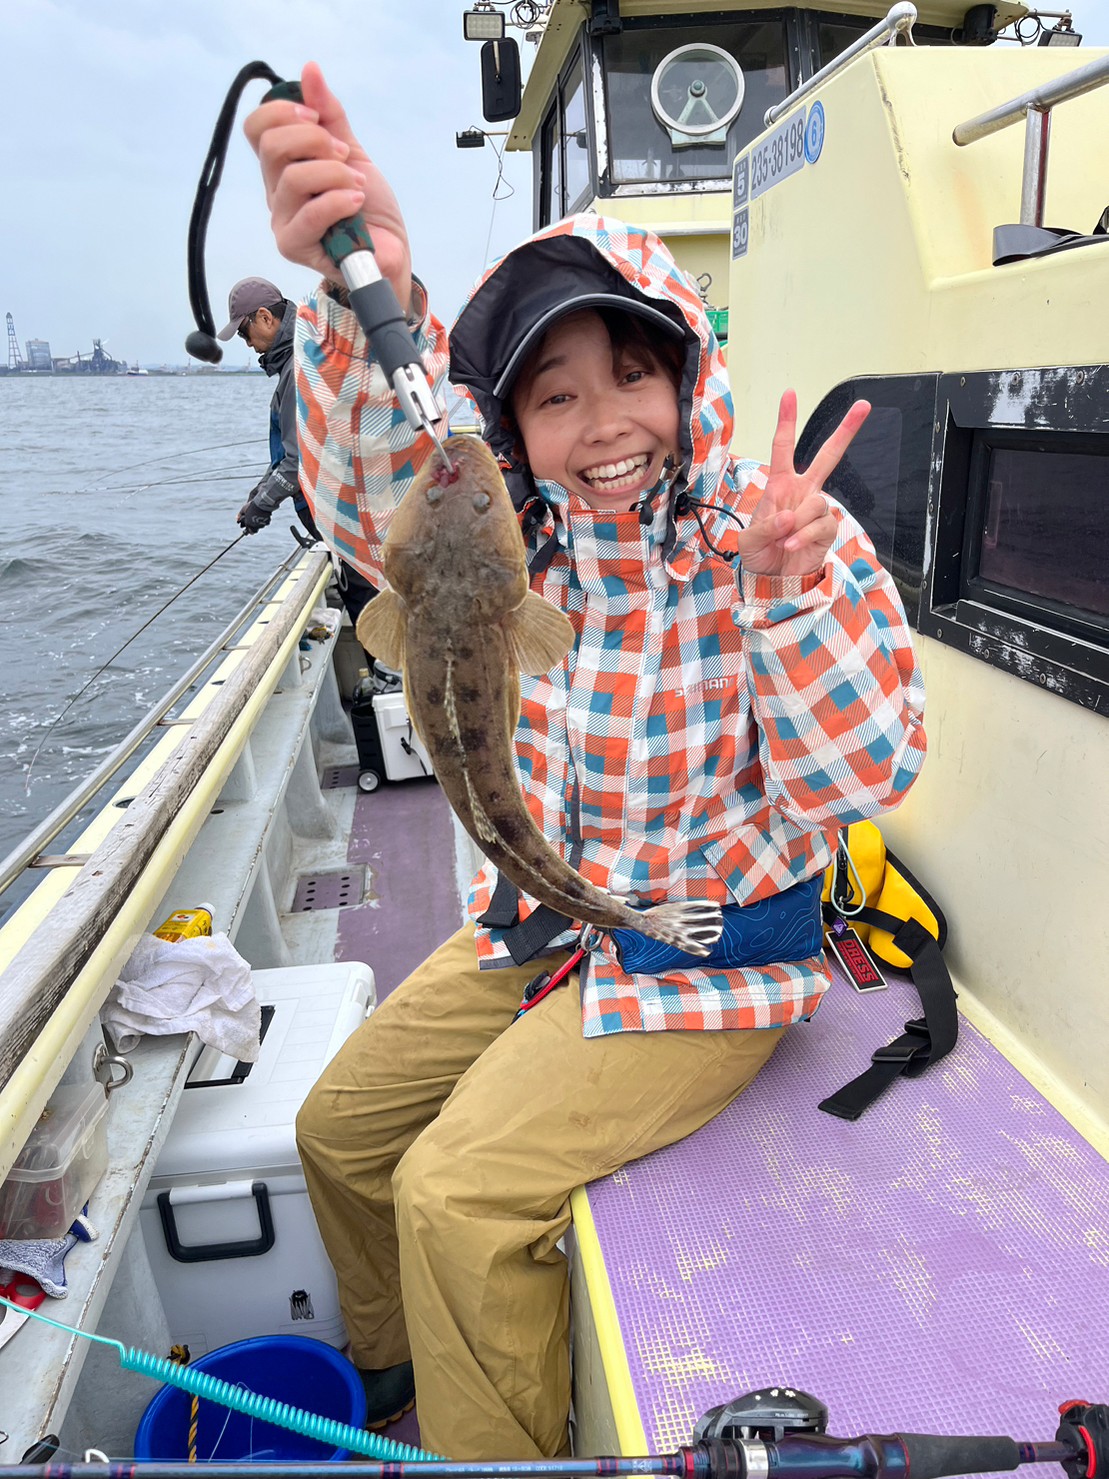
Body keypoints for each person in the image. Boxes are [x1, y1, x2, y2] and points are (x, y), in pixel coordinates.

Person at [245, 65, 927, 1462]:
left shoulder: (768, 532)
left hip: (702, 949)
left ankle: (496, 1444)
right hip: (544, 917)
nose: (603, 422)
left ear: (689, 372)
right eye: (554, 397)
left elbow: (860, 780)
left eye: (633, 373)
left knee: (453, 1190)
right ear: (512, 437)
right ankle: (395, 1377)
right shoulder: (508, 543)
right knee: (337, 1129)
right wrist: (350, 284)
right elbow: (378, 480)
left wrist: (790, 601)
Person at [218, 274, 377, 631]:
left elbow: (297, 461)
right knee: (366, 597)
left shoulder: (297, 368)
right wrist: (258, 494)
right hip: (347, 507)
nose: (247, 343)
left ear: (264, 317)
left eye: (244, 332)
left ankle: (389, 675)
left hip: (338, 512)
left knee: (367, 603)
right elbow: (290, 455)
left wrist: (261, 506)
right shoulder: (304, 354)